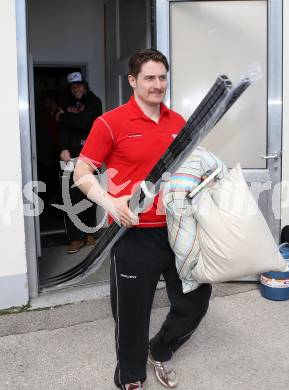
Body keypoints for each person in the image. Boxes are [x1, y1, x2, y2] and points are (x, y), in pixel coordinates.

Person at [73, 49, 212, 389]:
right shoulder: (110, 122)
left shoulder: (178, 123)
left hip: (179, 228)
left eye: (162, 77)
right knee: (132, 314)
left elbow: (190, 169)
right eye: (149, 77)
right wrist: (110, 200)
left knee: (195, 299)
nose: (157, 84)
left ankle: (160, 350)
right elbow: (82, 172)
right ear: (133, 80)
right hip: (132, 234)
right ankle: (131, 375)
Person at [55, 72, 102, 254]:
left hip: (91, 156)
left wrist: (63, 117)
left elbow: (86, 122)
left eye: (79, 86)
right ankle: (75, 238)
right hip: (70, 157)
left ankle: (89, 234)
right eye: (73, 87)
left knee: (90, 196)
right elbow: (63, 129)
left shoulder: (94, 102)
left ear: (85, 86)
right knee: (71, 198)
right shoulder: (65, 104)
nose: (77, 90)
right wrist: (63, 147)